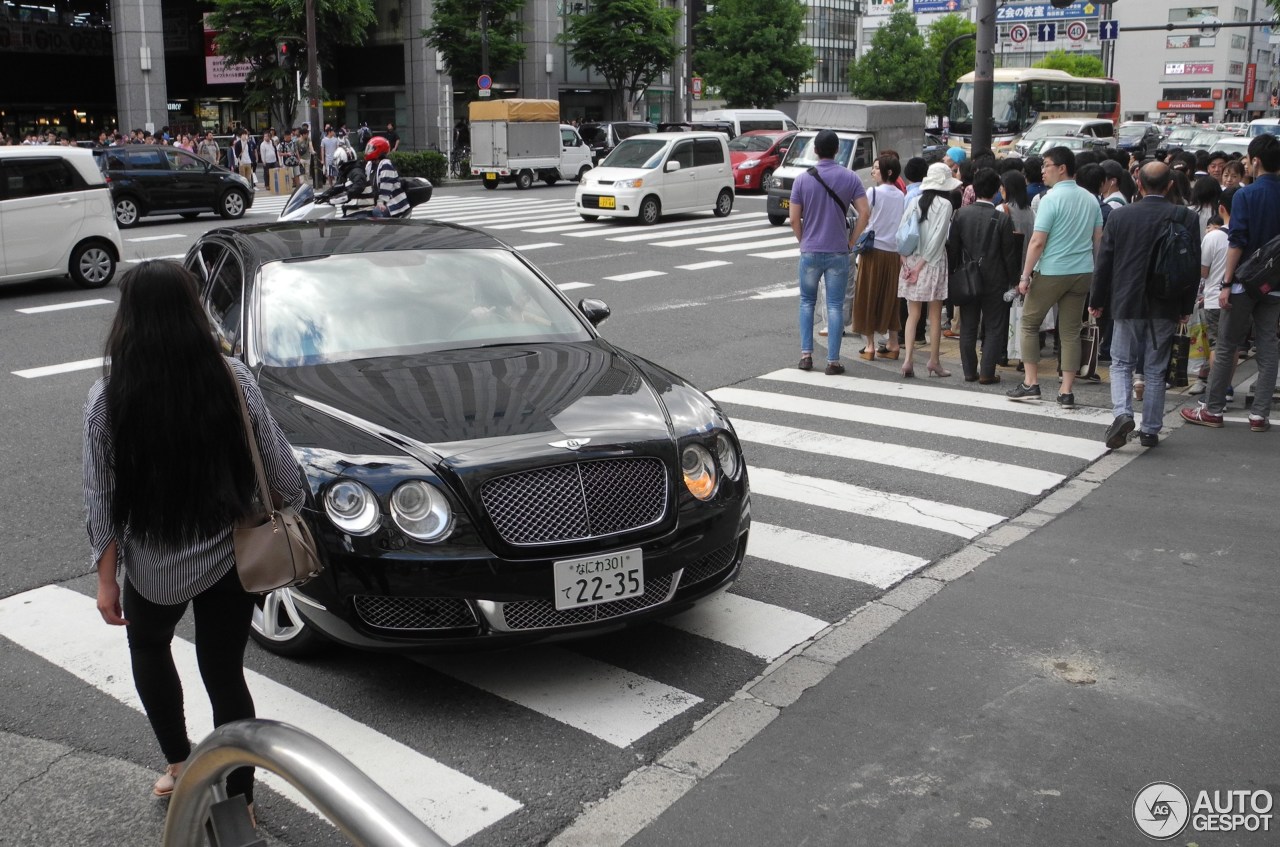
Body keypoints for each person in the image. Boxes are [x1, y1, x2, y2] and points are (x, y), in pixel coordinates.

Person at [85, 261, 304, 826]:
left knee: (150, 649)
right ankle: (241, 802)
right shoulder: (231, 378)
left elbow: (102, 498)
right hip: (231, 556)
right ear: (192, 311)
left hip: (154, 566)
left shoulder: (107, 398)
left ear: (128, 320)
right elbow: (279, 466)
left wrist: (107, 579)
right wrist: (291, 503)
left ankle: (180, 765)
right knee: (224, 672)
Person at [1091, 162, 1200, 449]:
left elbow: (1105, 262)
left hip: (1126, 299)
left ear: (1138, 184)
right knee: (1155, 368)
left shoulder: (1121, 216)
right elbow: (1191, 268)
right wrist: (1185, 305)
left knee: (1121, 362)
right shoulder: (1185, 217)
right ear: (1170, 185)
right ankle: (1150, 429)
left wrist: (1097, 300)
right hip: (1166, 302)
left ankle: (1123, 413)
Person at [1182, 133, 1280, 431]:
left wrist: (1226, 284)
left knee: (1227, 346)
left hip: (1242, 284)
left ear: (1256, 161)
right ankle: (1260, 414)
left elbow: (1236, 242)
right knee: (1268, 345)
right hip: (1275, 283)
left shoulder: (1244, 195)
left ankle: (1212, 410)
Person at [1007, 146, 1103, 408]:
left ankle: (1031, 383)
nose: (1043, 170)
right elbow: (1098, 241)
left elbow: (1038, 241)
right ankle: (1066, 391)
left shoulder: (1050, 199)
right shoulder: (1091, 199)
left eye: (1046, 165)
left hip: (1052, 271)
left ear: (1062, 168)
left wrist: (1025, 276)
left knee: (1028, 323)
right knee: (1070, 331)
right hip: (1082, 271)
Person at [788, 128, 870, 376]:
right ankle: (833, 362)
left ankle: (806, 356)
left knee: (806, 303)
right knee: (835, 306)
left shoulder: (802, 179)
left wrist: (805, 241)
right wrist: (851, 242)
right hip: (838, 251)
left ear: (815, 150)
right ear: (837, 150)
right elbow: (865, 212)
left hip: (810, 251)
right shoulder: (850, 178)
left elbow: (793, 219)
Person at [948, 167, 1019, 384]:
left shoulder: (960, 215)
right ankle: (987, 372)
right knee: (995, 326)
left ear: (974, 189)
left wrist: (953, 275)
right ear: (997, 190)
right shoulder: (1002, 219)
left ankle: (970, 371)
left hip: (968, 280)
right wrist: (1014, 281)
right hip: (995, 280)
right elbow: (1009, 255)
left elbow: (952, 249)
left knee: (968, 326)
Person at [898, 161, 960, 378]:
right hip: (932, 263)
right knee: (934, 315)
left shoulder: (913, 201)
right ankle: (934, 361)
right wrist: (920, 265)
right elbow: (938, 239)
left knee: (912, 314)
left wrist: (907, 263)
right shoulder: (945, 205)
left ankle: (908, 361)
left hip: (910, 261)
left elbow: (902, 234)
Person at [850, 154, 905, 359]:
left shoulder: (873, 192)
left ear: (887, 172)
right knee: (890, 298)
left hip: (872, 251)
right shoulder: (901, 195)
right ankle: (893, 343)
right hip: (893, 253)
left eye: (876, 168)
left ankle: (870, 346)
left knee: (867, 295)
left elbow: (863, 216)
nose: (873, 171)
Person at [1190, 189, 1236, 395]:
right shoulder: (1247, 234)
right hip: (1240, 298)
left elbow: (1203, 270)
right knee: (1232, 346)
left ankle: (1216, 391)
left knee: (1217, 345)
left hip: (1214, 299)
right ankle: (1226, 386)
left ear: (1222, 209)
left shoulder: (1213, 236)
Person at [360, 135, 410, 219]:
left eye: (371, 149)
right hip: (381, 202)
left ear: (379, 150)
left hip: (393, 204)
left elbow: (386, 185)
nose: (368, 151)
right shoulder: (370, 165)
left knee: (377, 211)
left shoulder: (385, 164)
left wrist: (380, 202)